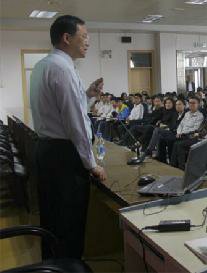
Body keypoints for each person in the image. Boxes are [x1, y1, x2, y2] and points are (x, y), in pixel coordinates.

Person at [30, 15, 107, 259]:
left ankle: (52, 265)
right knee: (69, 226)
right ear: (66, 38)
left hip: (47, 151)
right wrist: (92, 164)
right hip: (64, 157)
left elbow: (65, 109)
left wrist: (88, 95)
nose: (88, 43)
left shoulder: (44, 65)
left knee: (53, 222)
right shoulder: (63, 69)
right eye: (84, 37)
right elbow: (76, 124)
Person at [170, 103, 207, 168]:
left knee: (180, 145)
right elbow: (200, 128)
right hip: (197, 136)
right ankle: (173, 165)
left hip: (203, 140)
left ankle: (181, 166)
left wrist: (199, 134)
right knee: (176, 143)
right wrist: (193, 132)